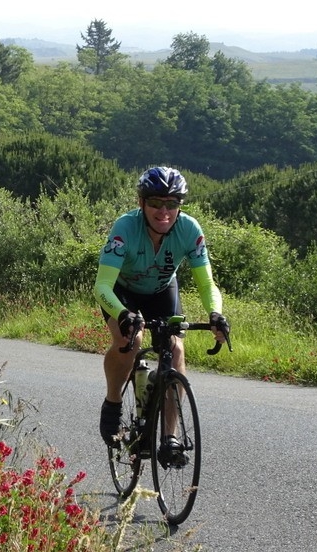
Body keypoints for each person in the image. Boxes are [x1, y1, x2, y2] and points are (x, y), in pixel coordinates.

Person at [93, 166, 230, 466]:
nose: (163, 211)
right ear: (142, 203)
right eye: (155, 202)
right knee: (131, 338)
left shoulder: (190, 230)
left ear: (180, 206)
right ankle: (113, 402)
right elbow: (101, 285)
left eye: (172, 204)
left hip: (161, 290)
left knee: (176, 347)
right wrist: (122, 314)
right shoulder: (125, 228)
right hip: (122, 291)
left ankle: (170, 437)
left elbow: (207, 283)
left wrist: (216, 314)